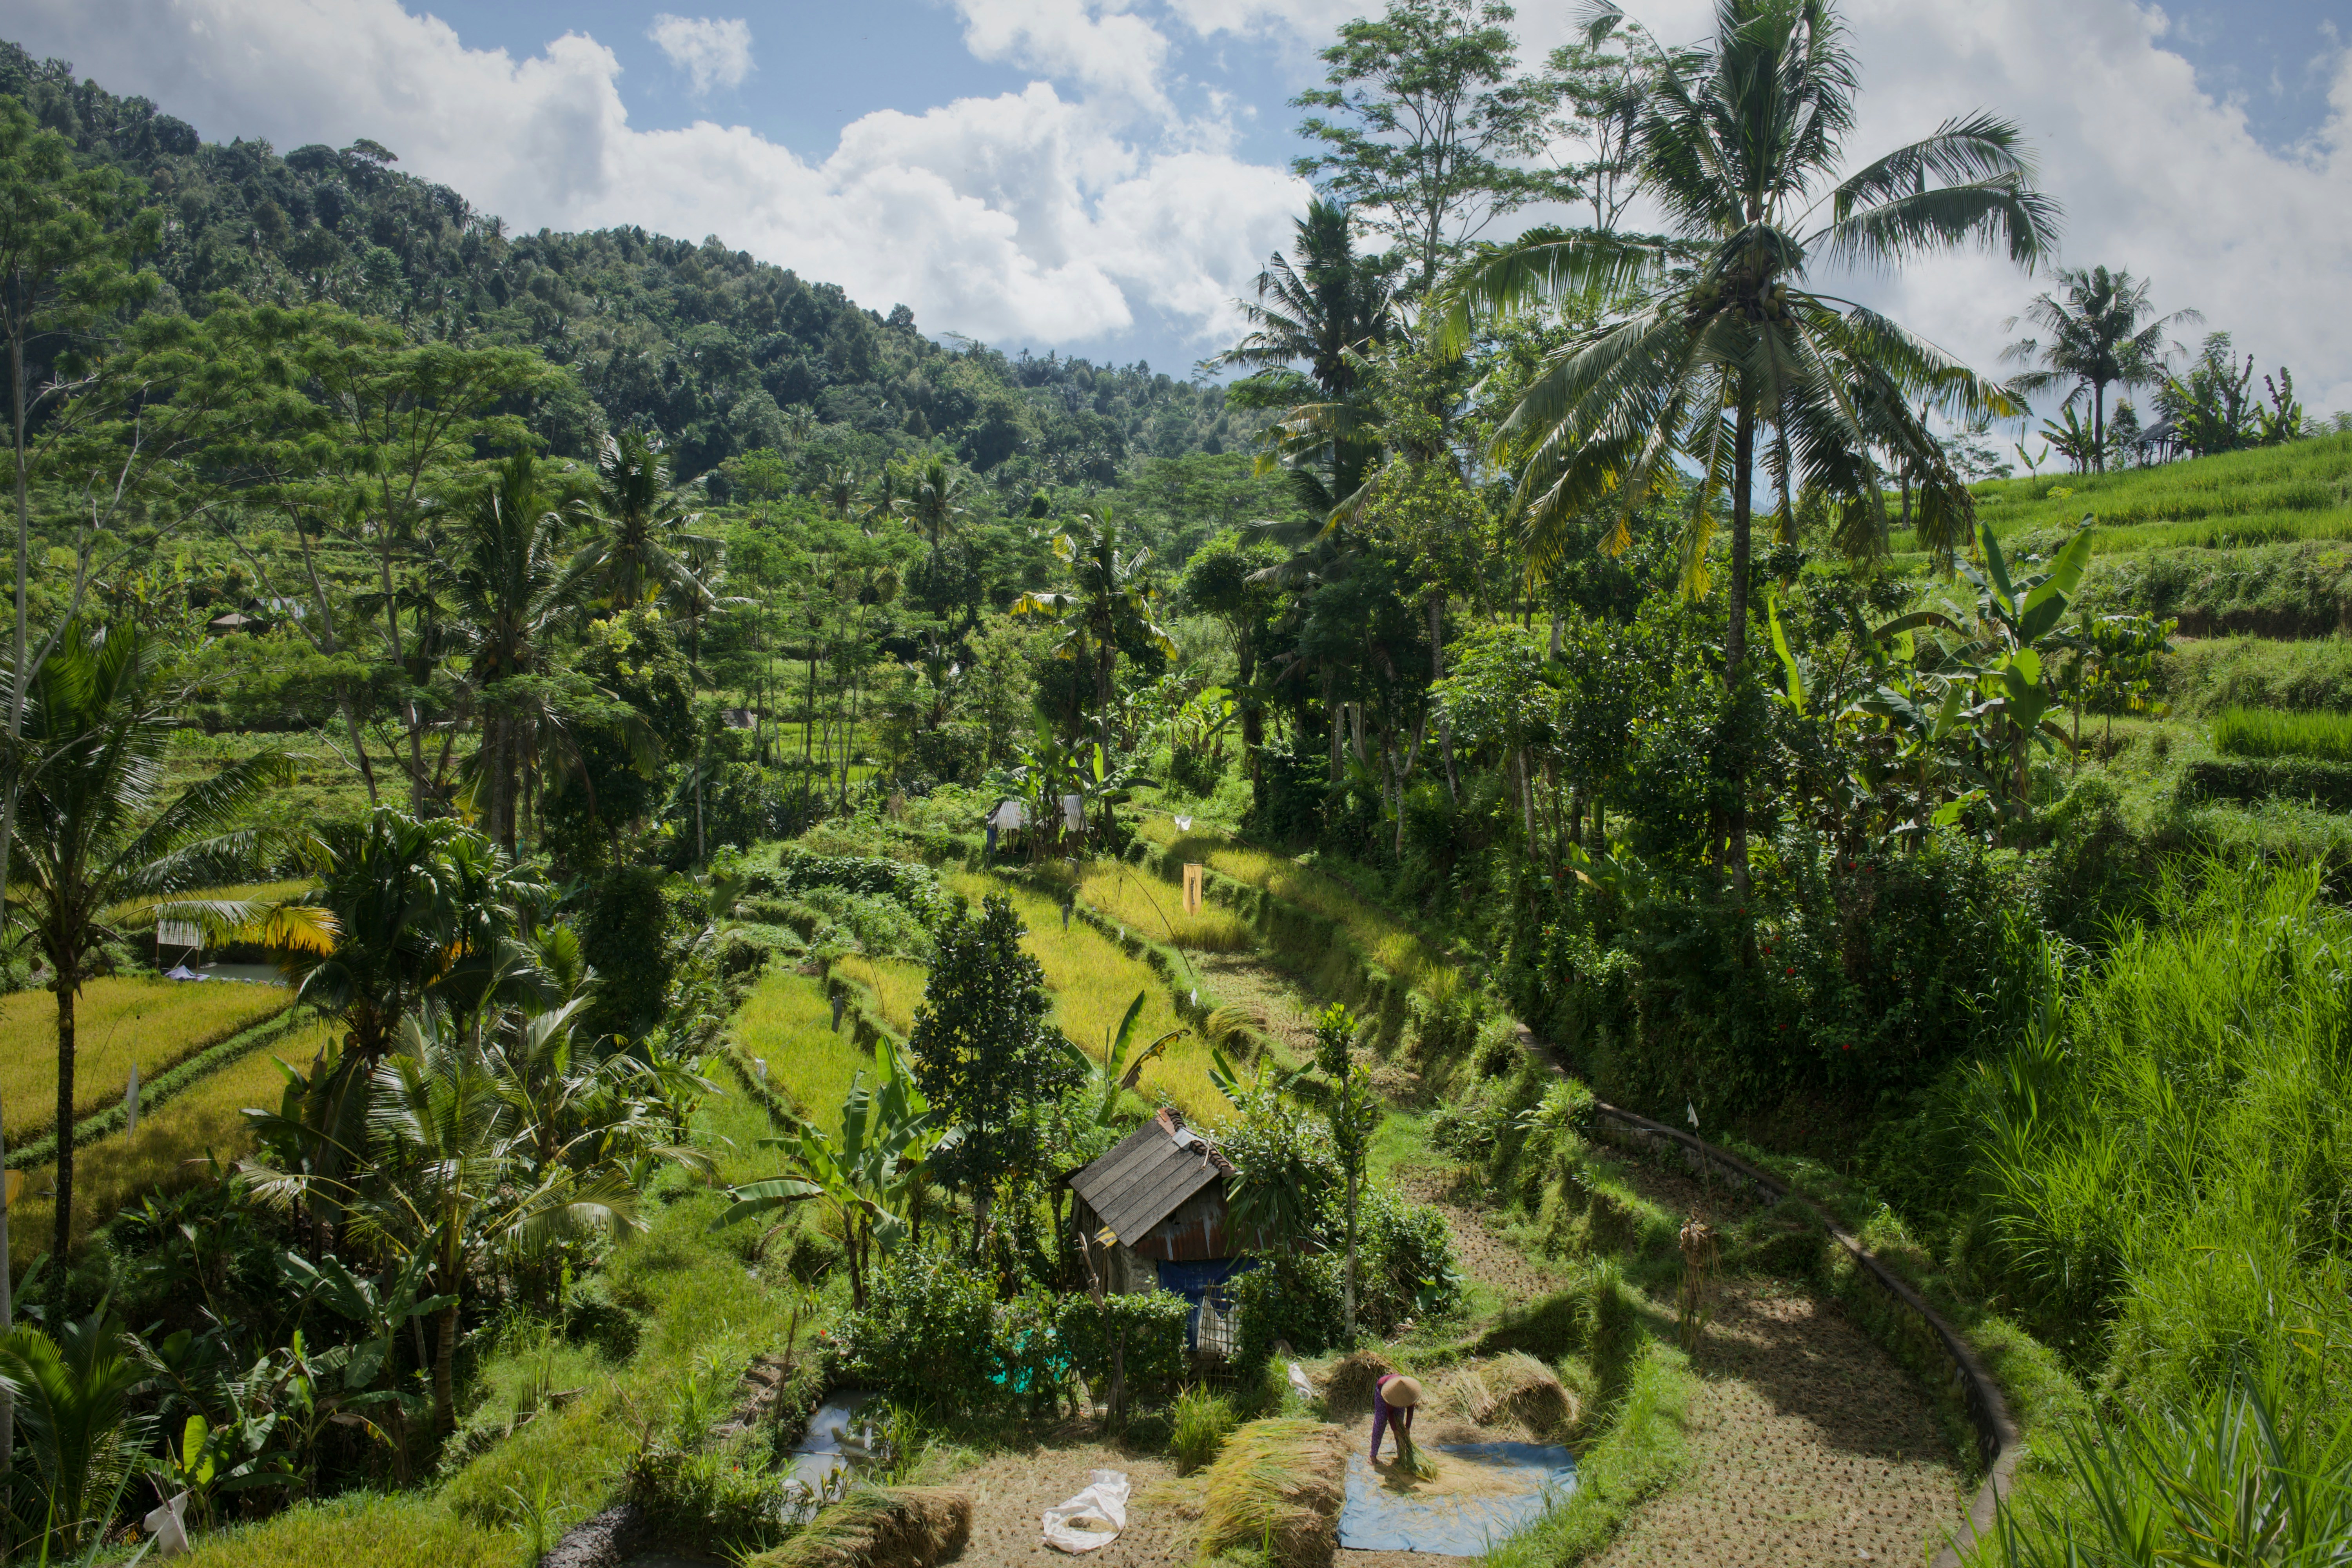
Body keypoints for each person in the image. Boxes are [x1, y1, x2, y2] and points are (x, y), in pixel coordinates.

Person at [1369, 1373, 1421, 1463]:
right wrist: (1394, 1430)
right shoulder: (1391, 1393)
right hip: (1382, 1391)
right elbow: (1390, 1412)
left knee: (1400, 1424)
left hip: (1398, 1390)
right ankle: (1373, 1455)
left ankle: (1401, 1455)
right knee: (1381, 1421)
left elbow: (1410, 1410)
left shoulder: (1409, 1393)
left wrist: (1408, 1427)